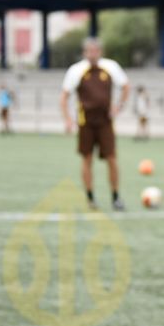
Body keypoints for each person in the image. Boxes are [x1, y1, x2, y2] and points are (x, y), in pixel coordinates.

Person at [60, 37, 130, 211]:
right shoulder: (76, 70)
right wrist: (68, 119)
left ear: (101, 51)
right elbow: (64, 96)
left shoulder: (111, 67)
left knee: (112, 158)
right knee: (87, 158)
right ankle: (90, 196)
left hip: (106, 121)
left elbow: (126, 86)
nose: (93, 54)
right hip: (86, 122)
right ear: (85, 53)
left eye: (96, 50)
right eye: (89, 51)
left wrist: (118, 106)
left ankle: (115, 196)